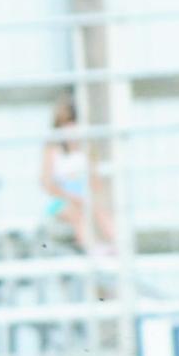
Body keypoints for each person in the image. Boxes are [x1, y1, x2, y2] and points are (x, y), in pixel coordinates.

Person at [41, 94, 115, 254]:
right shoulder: (52, 150)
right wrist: (71, 196)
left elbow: (96, 184)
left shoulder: (86, 150)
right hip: (59, 201)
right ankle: (92, 249)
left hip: (83, 197)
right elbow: (47, 184)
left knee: (99, 209)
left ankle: (117, 246)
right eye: (68, 124)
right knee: (76, 213)